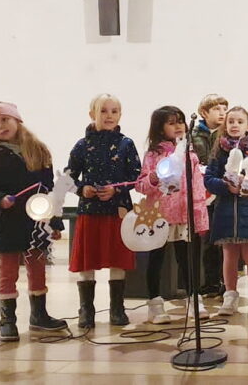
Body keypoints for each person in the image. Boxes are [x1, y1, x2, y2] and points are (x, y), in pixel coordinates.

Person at [0, 102, 67, 341]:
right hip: (5, 223)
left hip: (36, 223)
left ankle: (39, 316)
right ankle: (8, 320)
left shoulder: (39, 150)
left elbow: (49, 190)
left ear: (17, 120)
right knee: (8, 271)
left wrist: (54, 222)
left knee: (37, 268)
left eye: (4, 120)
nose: (0, 126)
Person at [67, 94, 142, 329]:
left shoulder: (126, 144)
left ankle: (117, 309)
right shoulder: (82, 145)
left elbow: (136, 178)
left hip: (117, 212)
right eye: (103, 111)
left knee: (117, 259)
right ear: (92, 114)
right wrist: (82, 188)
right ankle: (86, 310)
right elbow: (68, 176)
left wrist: (116, 191)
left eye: (114, 111)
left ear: (120, 115)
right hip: (90, 211)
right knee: (88, 259)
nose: (109, 115)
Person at [135, 105, 211, 323]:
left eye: (180, 121)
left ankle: (193, 299)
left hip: (185, 214)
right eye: (171, 122)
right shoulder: (153, 155)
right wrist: (154, 178)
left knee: (187, 259)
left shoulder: (189, 153)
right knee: (156, 259)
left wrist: (198, 211)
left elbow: (197, 185)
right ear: (160, 128)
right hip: (160, 215)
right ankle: (155, 304)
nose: (178, 126)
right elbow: (140, 185)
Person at [204, 107, 248, 316]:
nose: (234, 125)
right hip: (225, 210)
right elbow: (209, 179)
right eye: (230, 121)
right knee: (229, 253)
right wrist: (225, 186)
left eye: (239, 121)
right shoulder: (219, 150)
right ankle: (230, 295)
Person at [191, 93, 229, 298]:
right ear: (204, 112)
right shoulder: (194, 135)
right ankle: (209, 281)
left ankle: (225, 281)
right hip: (202, 194)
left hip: (221, 191)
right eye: (217, 109)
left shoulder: (226, 135)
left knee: (221, 238)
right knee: (205, 240)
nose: (222, 113)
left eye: (225, 108)